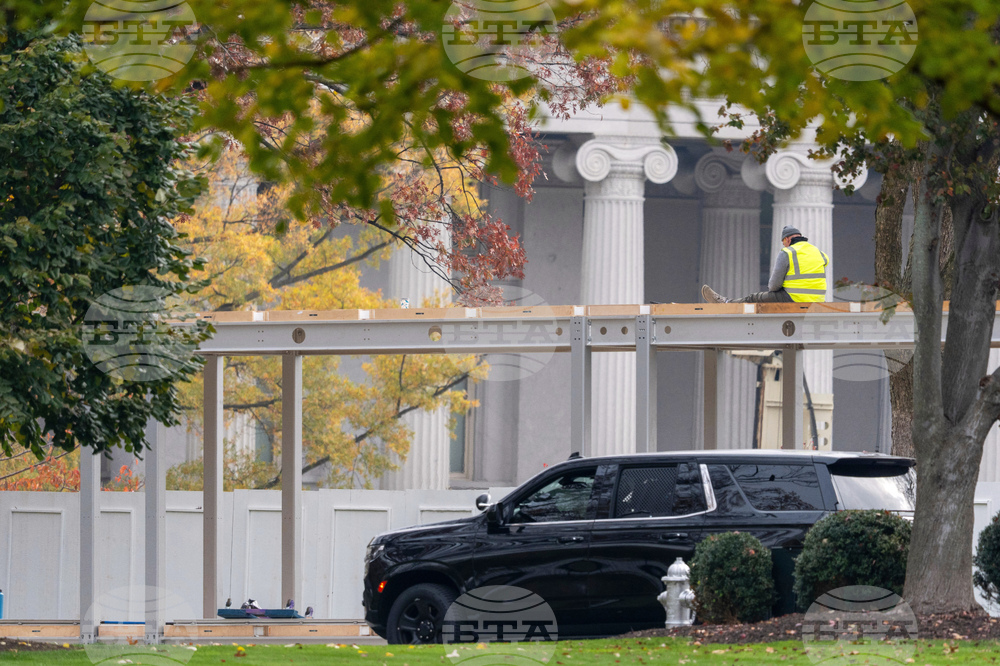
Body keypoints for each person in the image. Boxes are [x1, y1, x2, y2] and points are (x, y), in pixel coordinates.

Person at [702, 226, 829, 303]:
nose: (784, 245)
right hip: (818, 300)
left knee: (754, 297)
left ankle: (726, 303)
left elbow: (773, 286)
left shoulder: (787, 252)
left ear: (787, 239)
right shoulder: (819, 253)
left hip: (794, 298)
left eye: (784, 243)